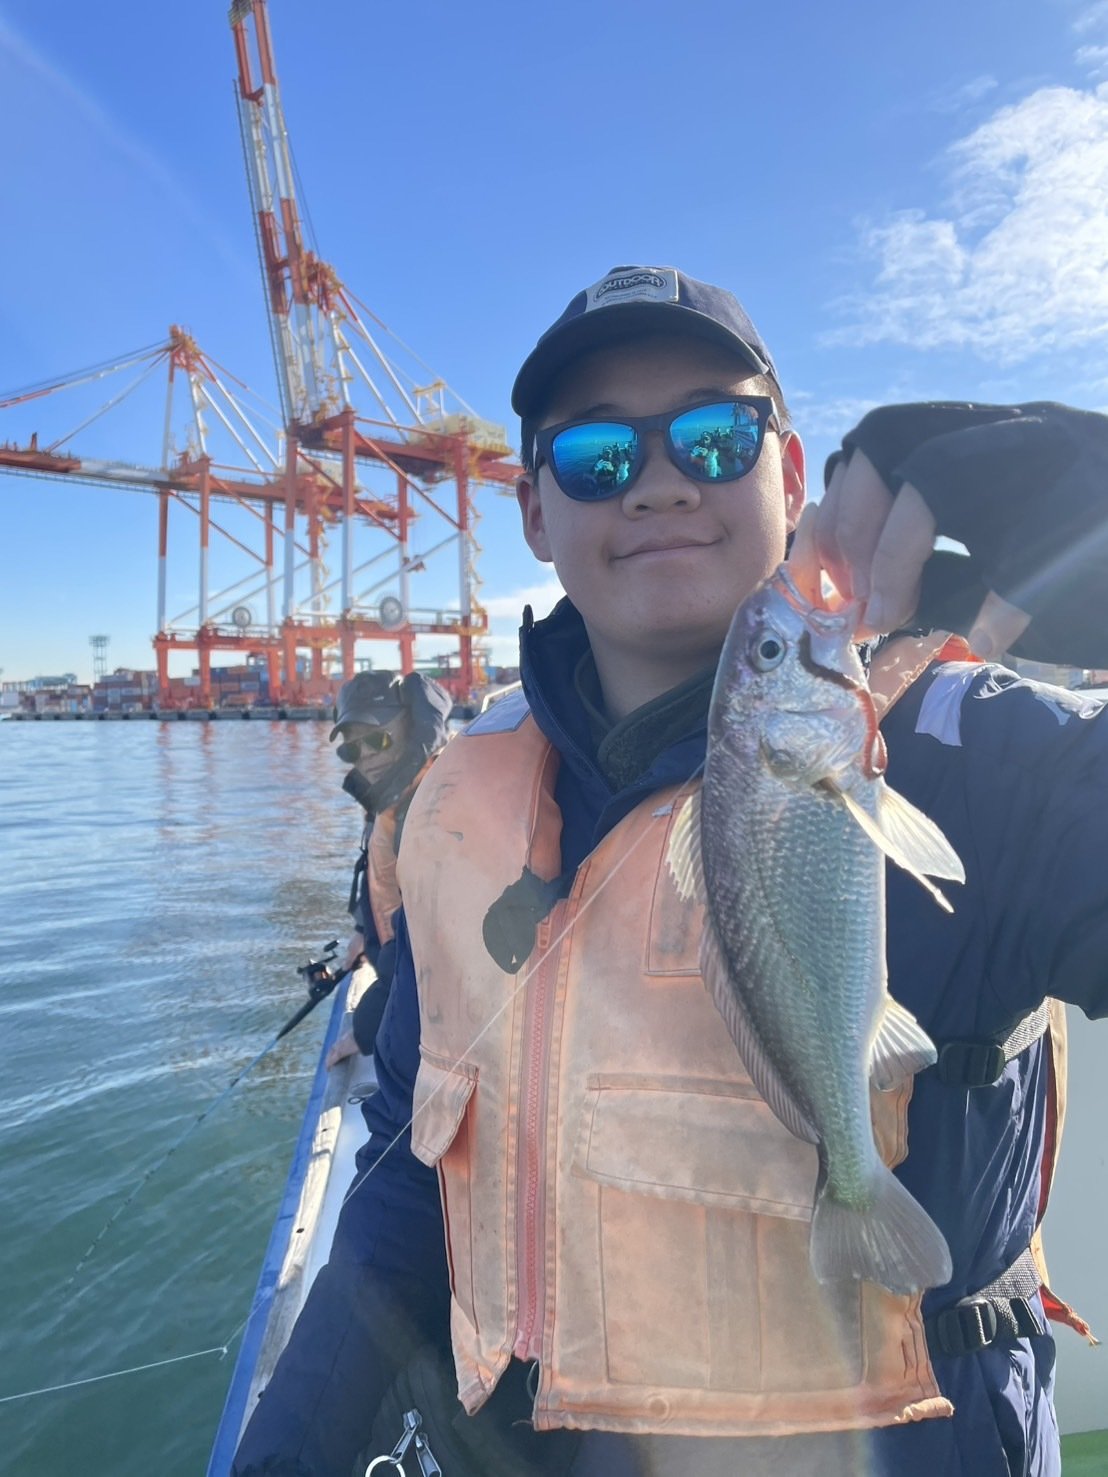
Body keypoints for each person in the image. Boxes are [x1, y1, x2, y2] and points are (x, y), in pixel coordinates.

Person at [233, 264, 1108, 1477]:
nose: (657, 482)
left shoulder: (986, 758)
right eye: (597, 455)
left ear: (788, 476)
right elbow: (401, 1190)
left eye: (712, 437)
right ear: (532, 512)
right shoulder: (459, 805)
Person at [323, 669, 452, 1070]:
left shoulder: (434, 809)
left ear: (411, 731)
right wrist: (364, 931)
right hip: (396, 973)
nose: (367, 757)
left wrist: (363, 1031)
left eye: (378, 739)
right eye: (352, 749)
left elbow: (429, 951)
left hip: (428, 1010)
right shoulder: (392, 794)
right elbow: (382, 878)